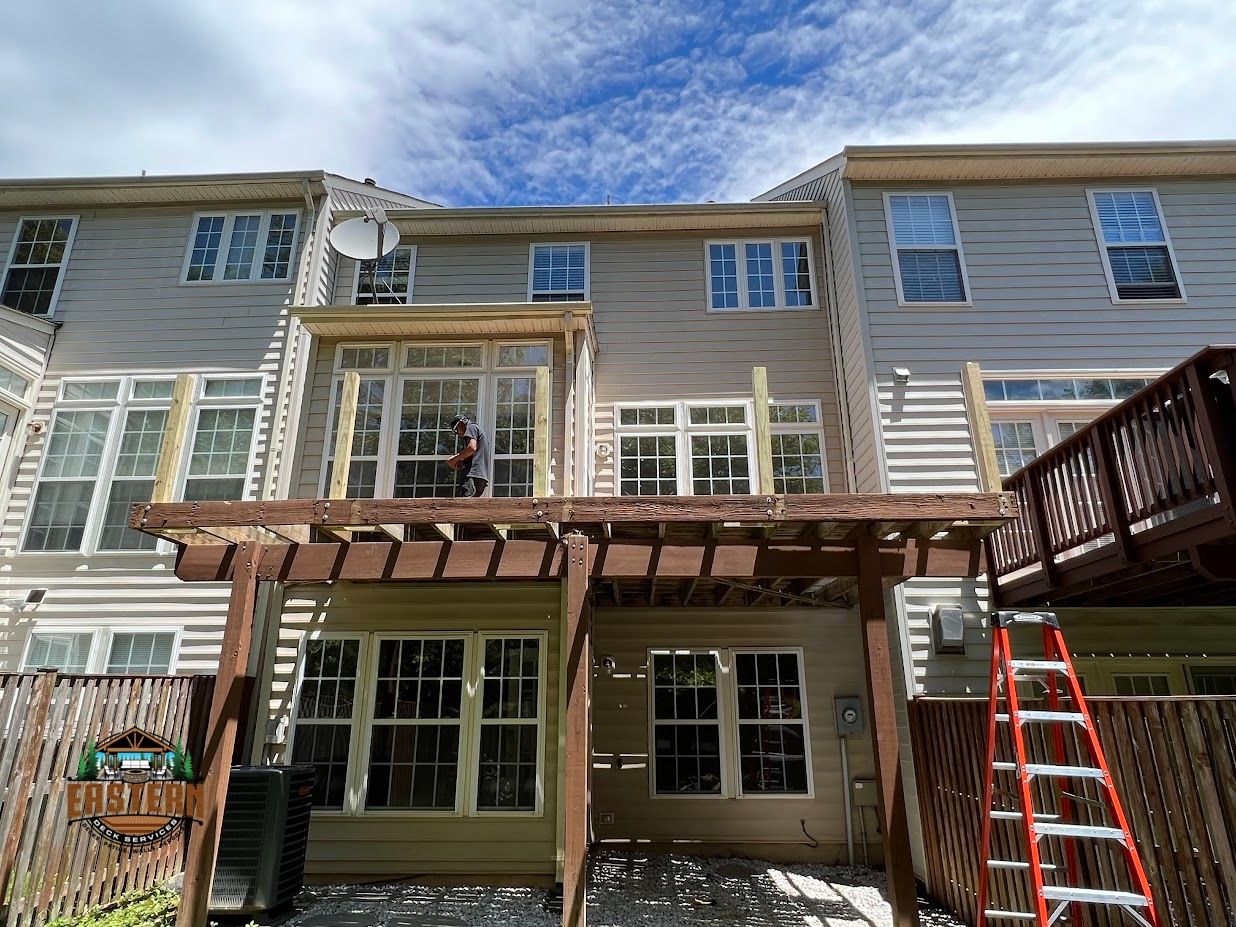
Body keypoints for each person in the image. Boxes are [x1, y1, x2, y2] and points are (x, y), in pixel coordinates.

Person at [446, 413, 490, 497]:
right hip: (480, 476)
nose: (458, 434)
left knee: (463, 505)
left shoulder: (471, 427)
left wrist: (453, 460)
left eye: (456, 430)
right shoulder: (479, 431)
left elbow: (471, 448)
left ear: (461, 422)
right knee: (471, 507)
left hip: (471, 474)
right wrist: (463, 460)